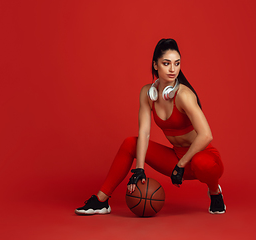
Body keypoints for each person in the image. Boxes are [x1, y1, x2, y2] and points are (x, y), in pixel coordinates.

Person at [75, 38, 226, 215]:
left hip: (202, 159)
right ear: (155, 65)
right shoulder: (148, 94)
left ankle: (215, 192)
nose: (172, 69)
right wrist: (139, 169)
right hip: (175, 159)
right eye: (166, 63)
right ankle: (101, 201)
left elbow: (206, 135)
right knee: (130, 142)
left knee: (202, 163)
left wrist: (182, 164)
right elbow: (144, 133)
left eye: (177, 63)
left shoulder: (183, 95)